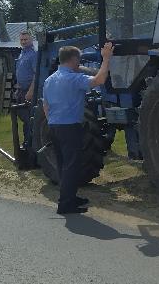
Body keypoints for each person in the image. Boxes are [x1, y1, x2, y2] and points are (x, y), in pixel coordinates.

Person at [41, 42, 114, 215]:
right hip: (69, 128)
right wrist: (106, 58)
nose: (79, 63)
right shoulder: (73, 78)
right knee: (71, 166)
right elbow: (99, 80)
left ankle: (69, 198)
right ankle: (65, 205)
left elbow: (45, 106)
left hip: (53, 126)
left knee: (63, 166)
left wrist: (52, 120)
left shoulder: (49, 80)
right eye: (78, 60)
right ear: (73, 59)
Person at [13, 30, 38, 162]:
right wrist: (18, 88)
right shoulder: (22, 53)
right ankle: (27, 143)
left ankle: (32, 148)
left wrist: (30, 92)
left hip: (30, 91)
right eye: (22, 40)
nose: (23, 42)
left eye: (26, 40)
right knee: (24, 118)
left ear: (31, 40)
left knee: (30, 120)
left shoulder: (34, 54)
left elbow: (36, 74)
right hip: (21, 90)